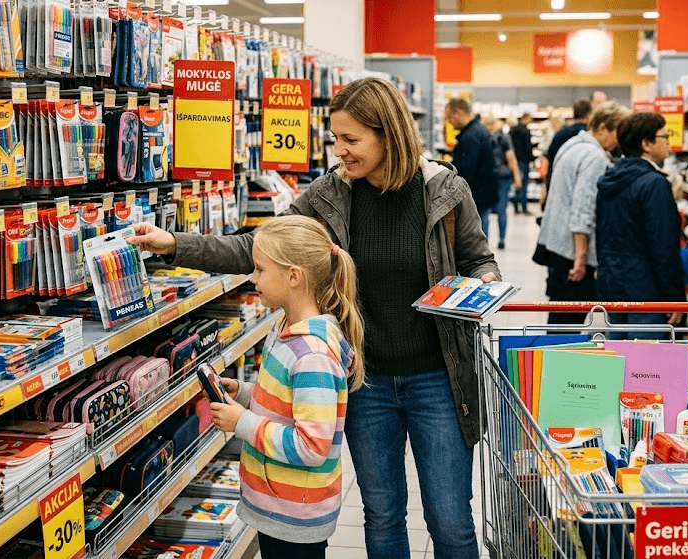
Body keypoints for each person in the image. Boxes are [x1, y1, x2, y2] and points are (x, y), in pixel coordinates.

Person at [128, 77, 499, 559]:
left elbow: (478, 258)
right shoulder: (329, 196)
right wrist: (175, 243)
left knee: (450, 520)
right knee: (382, 511)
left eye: (350, 139)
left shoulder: (444, 190)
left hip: (438, 379)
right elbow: (261, 247)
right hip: (363, 380)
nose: (338, 150)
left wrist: (485, 282)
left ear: (388, 134)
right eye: (335, 138)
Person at [207, 215, 364, 559]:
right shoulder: (283, 328)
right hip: (277, 505)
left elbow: (311, 447)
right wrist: (244, 394)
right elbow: (286, 403)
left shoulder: (313, 356)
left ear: (294, 276)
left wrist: (241, 423)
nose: (253, 278)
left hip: (295, 517)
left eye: (260, 270)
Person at [536, 101, 630, 325]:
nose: (619, 141)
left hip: (555, 244)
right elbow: (583, 208)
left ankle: (553, 349)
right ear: (603, 127)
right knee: (569, 321)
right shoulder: (594, 157)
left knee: (559, 317)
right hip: (572, 251)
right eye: (617, 133)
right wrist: (581, 257)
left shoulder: (572, 145)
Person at [594, 111, 685, 339]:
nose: (668, 142)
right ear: (646, 144)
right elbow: (663, 247)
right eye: (664, 136)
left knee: (617, 358)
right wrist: (675, 297)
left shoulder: (610, 179)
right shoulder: (654, 184)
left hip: (613, 287)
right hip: (646, 294)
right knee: (644, 361)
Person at [447, 98, 498, 238]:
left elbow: (468, 170)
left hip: (476, 195)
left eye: (450, 117)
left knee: (476, 235)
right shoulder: (477, 130)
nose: (449, 122)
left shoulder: (470, 137)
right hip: (483, 192)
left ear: (458, 113)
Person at [484, 116, 522, 249]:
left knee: (485, 211)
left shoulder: (482, 137)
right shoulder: (504, 138)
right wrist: (517, 176)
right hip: (503, 177)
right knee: (502, 209)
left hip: (487, 177)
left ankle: (484, 241)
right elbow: (511, 158)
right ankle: (501, 239)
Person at [509, 113, 534, 214]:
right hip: (524, 160)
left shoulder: (513, 130)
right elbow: (528, 147)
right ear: (525, 118)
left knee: (517, 183)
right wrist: (532, 158)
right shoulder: (526, 131)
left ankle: (516, 205)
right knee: (524, 184)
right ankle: (524, 207)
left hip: (515, 160)